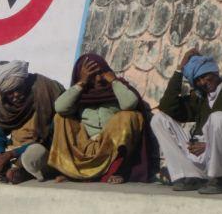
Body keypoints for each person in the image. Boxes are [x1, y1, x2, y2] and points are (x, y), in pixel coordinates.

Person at [150, 49, 222, 194]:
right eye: (197, 80)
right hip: (201, 157)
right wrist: (179, 70)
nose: (202, 82)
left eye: (204, 76)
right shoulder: (201, 97)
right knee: (158, 119)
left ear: (214, 72)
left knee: (218, 117)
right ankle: (191, 176)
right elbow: (168, 106)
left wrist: (209, 145)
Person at [48, 53, 148, 184]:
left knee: (129, 116)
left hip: (112, 146)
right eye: (93, 75)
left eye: (101, 73)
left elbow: (130, 104)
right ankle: (71, 172)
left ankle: (116, 171)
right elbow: (60, 107)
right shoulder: (79, 94)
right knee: (61, 119)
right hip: (85, 146)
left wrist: (114, 81)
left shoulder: (116, 87)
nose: (99, 78)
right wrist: (81, 83)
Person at [0, 61, 64, 184]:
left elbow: (49, 141)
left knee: (36, 152)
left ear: (25, 83)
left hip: (37, 151)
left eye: (18, 89)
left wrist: (10, 154)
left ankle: (7, 169)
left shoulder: (44, 98)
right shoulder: (6, 106)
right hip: (12, 153)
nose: (16, 95)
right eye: (10, 92)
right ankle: (8, 169)